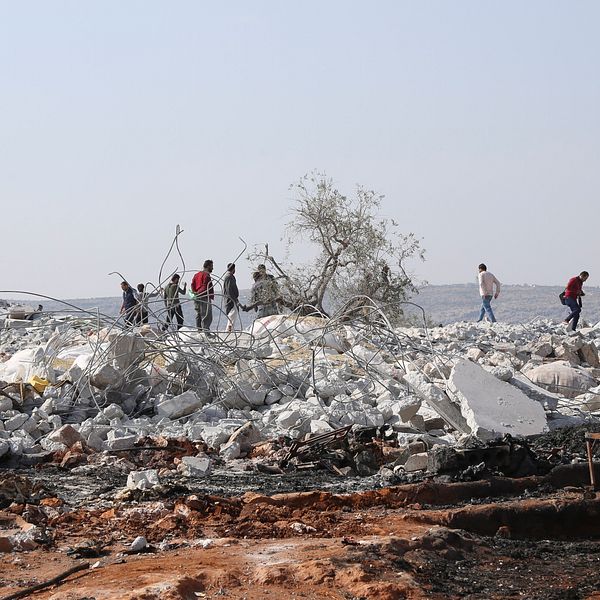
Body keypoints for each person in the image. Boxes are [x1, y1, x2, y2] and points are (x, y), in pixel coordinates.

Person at [191, 260, 214, 331]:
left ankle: (199, 330)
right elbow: (205, 287)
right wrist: (199, 293)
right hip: (204, 297)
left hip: (196, 297)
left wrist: (195, 293)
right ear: (208, 266)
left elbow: (192, 285)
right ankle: (206, 332)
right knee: (206, 315)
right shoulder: (206, 275)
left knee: (199, 314)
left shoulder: (196, 275)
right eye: (211, 266)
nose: (212, 268)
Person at [223, 262, 240, 332]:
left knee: (233, 315)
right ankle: (229, 330)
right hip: (231, 301)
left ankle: (230, 329)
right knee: (232, 315)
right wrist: (234, 300)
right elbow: (229, 290)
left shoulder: (230, 276)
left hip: (232, 299)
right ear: (233, 269)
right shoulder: (229, 277)